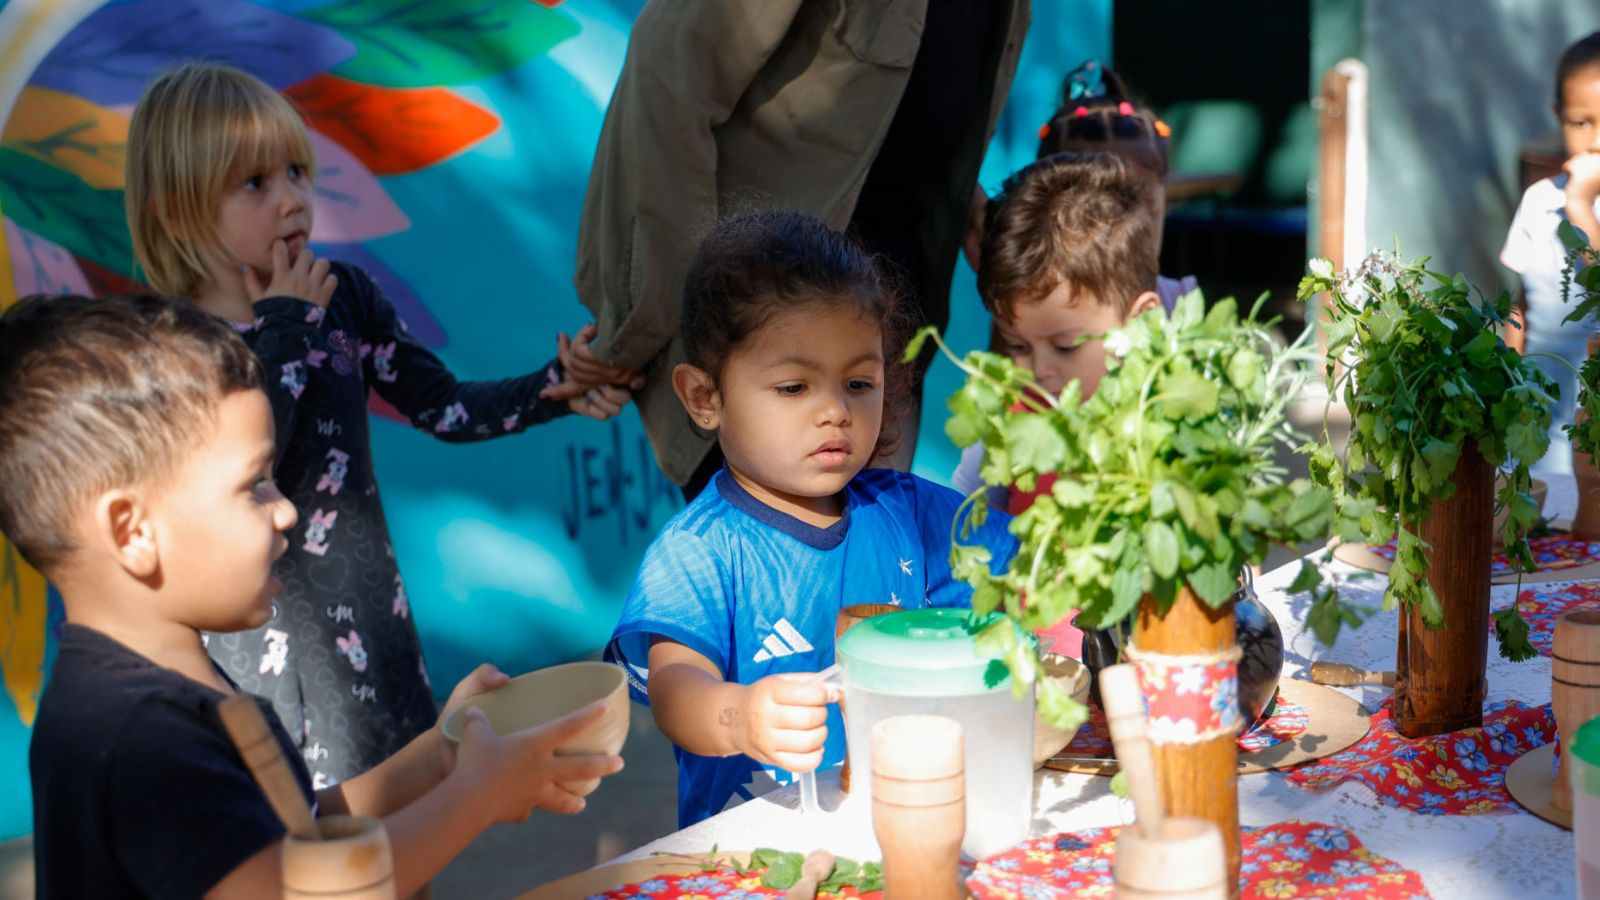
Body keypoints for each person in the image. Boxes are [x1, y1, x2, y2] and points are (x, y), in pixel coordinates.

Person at [2, 293, 624, 898]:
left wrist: (442, 752)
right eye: (254, 485)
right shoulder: (137, 736)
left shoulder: (177, 687)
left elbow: (301, 824)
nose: (286, 511)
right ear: (132, 532)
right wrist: (476, 797)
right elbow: (301, 888)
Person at [123, 61, 641, 786]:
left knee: (415, 813)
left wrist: (555, 387)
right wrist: (285, 325)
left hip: (372, 639)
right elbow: (235, 464)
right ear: (175, 209)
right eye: (255, 184)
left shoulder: (342, 297)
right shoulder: (166, 345)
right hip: (256, 664)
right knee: (317, 843)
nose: (291, 199)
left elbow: (444, 407)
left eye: (297, 173)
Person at [603, 212, 1017, 827]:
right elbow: (676, 690)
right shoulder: (701, 550)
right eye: (794, 387)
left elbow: (1030, 572)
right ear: (704, 398)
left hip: (899, 827)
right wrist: (739, 717)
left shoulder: (911, 511)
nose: (835, 411)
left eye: (859, 383)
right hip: (750, 857)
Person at [574, 0, 1032, 499]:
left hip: (893, 365)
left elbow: (916, 105)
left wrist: (969, 203)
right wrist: (630, 334)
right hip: (764, 345)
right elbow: (668, 76)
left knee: (874, 547)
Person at [955, 152, 1166, 656]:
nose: (1039, 371)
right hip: (1034, 671)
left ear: (1141, 324)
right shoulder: (1016, 417)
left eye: (1066, 346)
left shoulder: (1168, 422)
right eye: (1017, 345)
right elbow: (962, 513)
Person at [1502, 31, 1600, 477]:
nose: (1595, 141)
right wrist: (1507, 381)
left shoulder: (1574, 201)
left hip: (1591, 441)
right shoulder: (1539, 199)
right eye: (1581, 122)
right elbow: (1521, 303)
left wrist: (1581, 206)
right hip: (1535, 423)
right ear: (1558, 116)